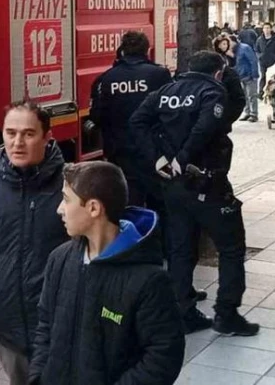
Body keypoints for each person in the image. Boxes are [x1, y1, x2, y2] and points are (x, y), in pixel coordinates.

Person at [131, 51, 259, 336]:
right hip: (206, 182)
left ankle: (183, 310)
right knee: (231, 247)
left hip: (173, 185)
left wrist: (158, 159)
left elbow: (137, 121)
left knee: (180, 247)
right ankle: (226, 313)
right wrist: (183, 157)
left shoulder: (167, 90)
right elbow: (206, 126)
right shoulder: (212, 91)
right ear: (218, 72)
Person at [28, 161, 185, 385]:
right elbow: (44, 326)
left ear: (93, 208)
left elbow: (164, 355)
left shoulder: (150, 280)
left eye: (66, 199)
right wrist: (38, 378)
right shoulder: (59, 259)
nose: (59, 209)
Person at [0, 101, 68, 385]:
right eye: (10, 133)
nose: (17, 142)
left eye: (28, 134)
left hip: (62, 327)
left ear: (47, 136)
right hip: (9, 326)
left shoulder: (70, 184)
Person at [88, 31, 172, 206]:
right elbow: (169, 113)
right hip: (153, 151)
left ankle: (134, 232)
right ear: (146, 50)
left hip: (120, 152)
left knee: (129, 202)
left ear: (122, 50)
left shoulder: (106, 78)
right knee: (159, 202)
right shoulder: (159, 74)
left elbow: (96, 115)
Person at [235, 33, 261, 122]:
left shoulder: (244, 48)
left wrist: (254, 74)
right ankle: (247, 112)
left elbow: (253, 61)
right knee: (245, 95)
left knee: (252, 95)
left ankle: (254, 114)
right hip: (240, 75)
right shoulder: (233, 50)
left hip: (249, 75)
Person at [256, 23, 275, 93]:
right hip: (263, 62)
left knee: (272, 78)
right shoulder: (259, 39)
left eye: (268, 28)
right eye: (265, 28)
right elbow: (256, 50)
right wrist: (260, 56)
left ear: (271, 29)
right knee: (263, 77)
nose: (266, 30)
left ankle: (273, 92)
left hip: (273, 63)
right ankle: (261, 92)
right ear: (263, 29)